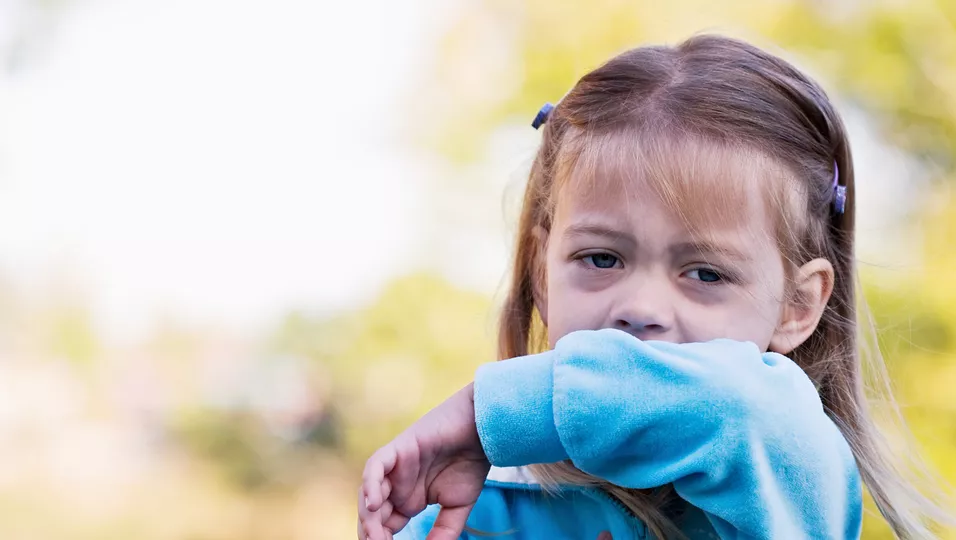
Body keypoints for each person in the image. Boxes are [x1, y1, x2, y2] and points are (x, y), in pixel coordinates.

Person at [358, 34, 948, 539]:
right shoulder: (467, 513)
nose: (639, 308)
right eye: (601, 258)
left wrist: (488, 411)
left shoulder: (785, 470)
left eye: (706, 273)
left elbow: (737, 407)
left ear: (796, 307)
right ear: (542, 267)